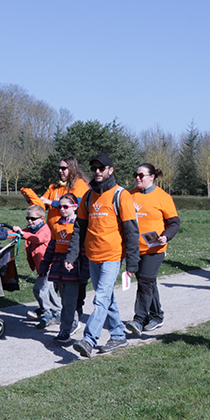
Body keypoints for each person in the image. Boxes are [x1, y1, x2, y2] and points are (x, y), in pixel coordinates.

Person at [67, 153, 139, 358]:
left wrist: (132, 262)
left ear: (110, 170)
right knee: (107, 297)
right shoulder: (89, 196)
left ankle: (89, 340)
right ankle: (118, 335)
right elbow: (79, 228)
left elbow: (131, 230)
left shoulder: (121, 195)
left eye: (101, 168)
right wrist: (72, 255)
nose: (97, 172)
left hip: (112, 255)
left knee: (100, 299)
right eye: (94, 168)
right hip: (92, 256)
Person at [20, 156, 90, 319]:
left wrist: (54, 203)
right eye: (59, 168)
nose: (60, 171)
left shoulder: (80, 184)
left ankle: (75, 310)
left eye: (64, 168)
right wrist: (33, 201)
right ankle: (50, 309)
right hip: (52, 236)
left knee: (73, 277)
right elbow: (42, 203)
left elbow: (78, 203)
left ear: (72, 169)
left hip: (73, 237)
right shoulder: (54, 186)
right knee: (53, 276)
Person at [124, 164, 180, 337]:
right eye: (136, 174)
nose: (138, 178)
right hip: (134, 249)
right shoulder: (129, 195)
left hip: (155, 248)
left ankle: (139, 320)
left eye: (141, 175)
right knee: (147, 281)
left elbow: (174, 223)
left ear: (152, 177)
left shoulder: (163, 197)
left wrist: (166, 236)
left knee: (145, 281)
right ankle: (156, 316)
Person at [40, 193, 89, 343]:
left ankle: (65, 331)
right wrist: (44, 265)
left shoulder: (80, 226)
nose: (62, 209)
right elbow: (51, 247)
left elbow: (84, 250)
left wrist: (84, 271)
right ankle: (73, 321)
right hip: (58, 265)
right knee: (64, 299)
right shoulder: (56, 224)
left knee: (70, 300)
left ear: (75, 207)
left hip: (73, 265)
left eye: (66, 206)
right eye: (60, 206)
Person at [12, 205, 58, 328]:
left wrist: (22, 233)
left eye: (33, 218)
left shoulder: (45, 230)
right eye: (28, 218)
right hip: (41, 268)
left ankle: (48, 313)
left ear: (42, 218)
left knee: (44, 291)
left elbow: (38, 239)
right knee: (40, 290)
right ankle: (57, 312)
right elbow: (17, 234)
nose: (30, 221)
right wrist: (2, 233)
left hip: (49, 267)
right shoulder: (30, 230)